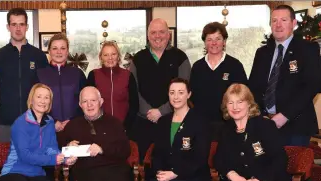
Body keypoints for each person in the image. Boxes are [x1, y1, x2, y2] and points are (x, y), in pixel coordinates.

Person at [248, 4, 321, 181]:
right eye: (274, 20)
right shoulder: (263, 52)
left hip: (295, 125)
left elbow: (312, 86)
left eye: (283, 20)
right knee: (267, 171)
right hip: (266, 124)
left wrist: (284, 115)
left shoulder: (307, 49)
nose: (278, 25)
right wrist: (258, 115)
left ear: (293, 23)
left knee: (299, 175)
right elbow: (254, 87)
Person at [130, 18, 191, 163]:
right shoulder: (138, 58)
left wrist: (161, 112)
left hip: (173, 120)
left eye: (162, 32)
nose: (158, 36)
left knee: (171, 161)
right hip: (144, 121)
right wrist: (148, 112)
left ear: (168, 34)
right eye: (153, 32)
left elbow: (184, 90)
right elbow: (133, 89)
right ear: (148, 35)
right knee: (144, 164)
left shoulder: (180, 57)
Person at [0, 8, 48, 143]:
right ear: (8, 27)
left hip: (35, 121)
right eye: (14, 24)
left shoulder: (39, 56)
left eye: (21, 24)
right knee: (8, 163)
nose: (18, 28)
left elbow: (46, 90)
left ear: (27, 27)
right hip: (6, 123)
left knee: (34, 162)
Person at [190, 21, 247, 141]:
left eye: (218, 38)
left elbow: (244, 97)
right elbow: (192, 97)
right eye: (209, 39)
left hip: (230, 126)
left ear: (224, 41)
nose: (214, 43)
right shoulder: (197, 67)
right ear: (204, 42)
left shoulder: (235, 65)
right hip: (202, 126)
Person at [36, 33, 86, 137]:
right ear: (49, 51)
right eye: (55, 48)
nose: (59, 52)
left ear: (67, 51)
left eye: (62, 48)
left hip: (74, 129)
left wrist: (72, 121)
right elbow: (33, 104)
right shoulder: (39, 74)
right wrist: (52, 122)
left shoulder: (78, 74)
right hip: (46, 130)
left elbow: (85, 102)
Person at [87, 40, 139, 134]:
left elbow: (134, 105)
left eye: (113, 54)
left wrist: (125, 126)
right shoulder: (93, 75)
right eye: (106, 55)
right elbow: (88, 104)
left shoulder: (128, 76)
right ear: (101, 57)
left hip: (124, 129)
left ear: (118, 56)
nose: (110, 58)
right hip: (99, 129)